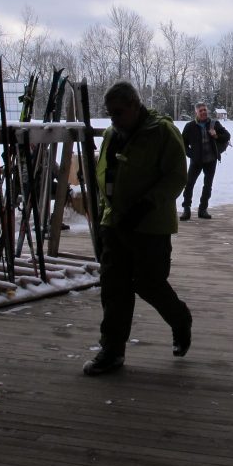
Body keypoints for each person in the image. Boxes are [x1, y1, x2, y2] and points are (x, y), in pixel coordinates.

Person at [84, 81, 192, 376]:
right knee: (113, 286)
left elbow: (176, 177)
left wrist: (146, 206)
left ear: (135, 105)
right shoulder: (111, 134)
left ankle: (180, 319)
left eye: (118, 112)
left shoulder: (162, 132)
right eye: (109, 114)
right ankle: (112, 350)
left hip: (151, 226)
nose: (113, 119)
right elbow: (105, 173)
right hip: (115, 223)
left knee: (149, 283)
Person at [180, 102, 231, 220]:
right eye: (200, 110)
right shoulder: (190, 126)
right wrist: (191, 154)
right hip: (196, 161)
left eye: (205, 110)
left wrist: (216, 136)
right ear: (196, 112)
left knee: (208, 186)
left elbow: (227, 136)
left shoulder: (214, 124)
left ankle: (203, 209)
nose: (203, 112)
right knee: (189, 184)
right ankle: (186, 209)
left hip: (211, 160)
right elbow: (183, 144)